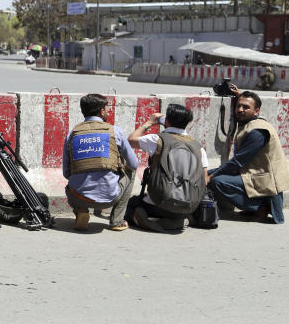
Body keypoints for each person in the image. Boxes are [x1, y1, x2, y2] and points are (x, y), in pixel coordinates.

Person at [207, 87, 289, 224]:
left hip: (265, 180)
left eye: (245, 107)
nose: (240, 110)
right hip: (255, 173)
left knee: (217, 180)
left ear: (256, 111)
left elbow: (238, 162)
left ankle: (260, 207)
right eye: (238, 106)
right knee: (208, 172)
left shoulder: (257, 131)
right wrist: (240, 95)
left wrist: (210, 176)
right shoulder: (251, 122)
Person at [126, 104, 207, 232]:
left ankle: (144, 220)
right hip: (189, 206)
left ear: (167, 121)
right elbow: (205, 180)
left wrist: (149, 122)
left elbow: (130, 140)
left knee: (131, 204)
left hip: (160, 202)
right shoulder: (199, 148)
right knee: (173, 211)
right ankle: (175, 221)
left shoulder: (157, 140)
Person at [63, 93, 138, 231]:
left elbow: (66, 173)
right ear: (102, 110)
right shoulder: (115, 131)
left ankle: (81, 210)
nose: (107, 111)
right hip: (109, 199)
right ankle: (117, 221)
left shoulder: (72, 134)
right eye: (106, 108)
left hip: (77, 197)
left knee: (72, 183)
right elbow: (134, 164)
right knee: (131, 171)